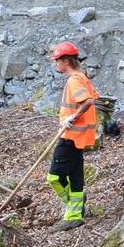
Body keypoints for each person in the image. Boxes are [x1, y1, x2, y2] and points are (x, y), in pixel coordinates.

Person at [47, 41, 98, 231]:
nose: (56, 64)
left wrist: (72, 117)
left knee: (54, 177)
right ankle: (75, 215)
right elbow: (94, 97)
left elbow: (87, 101)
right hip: (79, 138)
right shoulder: (81, 76)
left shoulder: (74, 80)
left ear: (66, 61)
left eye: (57, 61)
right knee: (76, 176)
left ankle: (72, 207)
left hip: (70, 137)